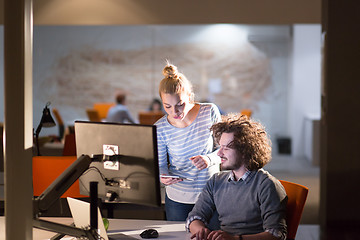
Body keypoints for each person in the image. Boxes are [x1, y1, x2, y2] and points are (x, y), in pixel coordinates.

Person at [186, 114, 287, 240]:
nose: (219, 153)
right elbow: (194, 218)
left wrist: (235, 239)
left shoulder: (266, 185)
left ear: (245, 151)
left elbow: (276, 234)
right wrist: (201, 231)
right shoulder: (216, 181)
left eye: (227, 148)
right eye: (220, 147)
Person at [155, 61, 222, 222]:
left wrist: (209, 159)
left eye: (180, 105)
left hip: (211, 193)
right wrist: (162, 176)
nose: (175, 112)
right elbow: (161, 165)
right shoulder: (160, 128)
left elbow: (225, 150)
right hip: (178, 198)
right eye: (167, 106)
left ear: (189, 97)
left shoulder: (209, 112)